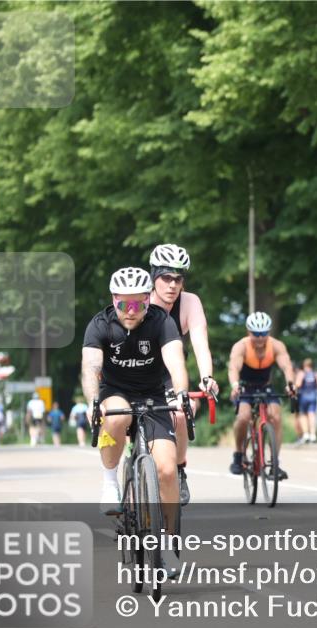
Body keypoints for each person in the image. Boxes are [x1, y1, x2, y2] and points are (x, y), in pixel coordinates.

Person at [82, 266, 190, 575]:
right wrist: (93, 401)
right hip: (115, 394)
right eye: (123, 304)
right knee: (117, 418)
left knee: (168, 470)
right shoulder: (100, 325)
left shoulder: (161, 321)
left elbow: (175, 360)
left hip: (154, 395)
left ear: (147, 300)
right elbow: (91, 368)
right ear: (113, 300)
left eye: (138, 304)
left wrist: (181, 393)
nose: (131, 312)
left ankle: (168, 545)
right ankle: (109, 484)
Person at [149, 243, 219, 506]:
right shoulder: (140, 300)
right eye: (166, 277)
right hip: (137, 368)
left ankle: (178, 469)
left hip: (170, 371)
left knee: (181, 411)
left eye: (178, 278)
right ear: (154, 276)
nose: (172, 285)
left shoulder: (190, 303)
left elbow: (200, 343)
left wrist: (207, 377)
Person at [228, 311, 296, 479]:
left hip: (265, 386)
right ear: (248, 332)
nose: (260, 338)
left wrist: (291, 384)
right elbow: (233, 368)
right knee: (243, 417)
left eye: (264, 334)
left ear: (269, 332)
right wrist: (235, 385)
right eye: (256, 334)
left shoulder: (276, 346)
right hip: (245, 387)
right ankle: (238, 455)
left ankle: (274, 463)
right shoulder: (241, 346)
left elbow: (287, 367)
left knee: (276, 417)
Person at [295, 358, 317, 443]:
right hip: (313, 396)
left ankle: (306, 434)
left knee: (303, 415)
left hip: (303, 396)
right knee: (312, 416)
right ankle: (313, 435)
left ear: (304, 365)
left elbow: (298, 384)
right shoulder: (315, 373)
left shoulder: (302, 373)